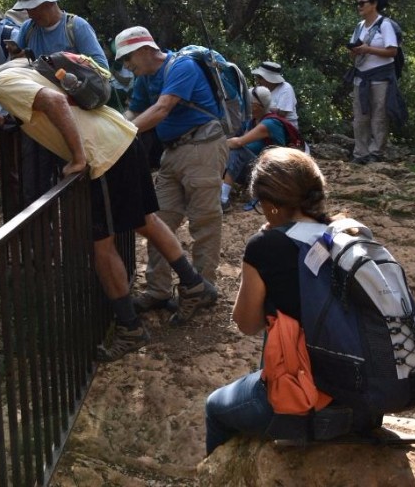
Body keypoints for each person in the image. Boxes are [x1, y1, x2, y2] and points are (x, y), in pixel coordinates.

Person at [0, 56, 215, 360]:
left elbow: (55, 101)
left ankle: (130, 328)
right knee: (145, 220)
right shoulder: (10, 69)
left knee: (101, 247)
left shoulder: (2, 84)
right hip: (121, 138)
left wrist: (79, 157)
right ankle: (194, 285)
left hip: (102, 156)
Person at [205, 147, 335, 455]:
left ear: (271, 204)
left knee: (214, 407)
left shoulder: (266, 246)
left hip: (305, 393)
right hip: (354, 387)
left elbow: (246, 323)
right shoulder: (338, 234)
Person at [116, 26, 225, 319]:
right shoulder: (145, 79)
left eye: (128, 58)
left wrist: (119, 136)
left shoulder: (182, 66)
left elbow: (162, 108)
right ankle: (158, 290)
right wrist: (116, 128)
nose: (127, 66)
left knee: (204, 220)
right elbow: (133, 113)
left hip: (203, 146)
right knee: (158, 219)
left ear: (143, 49)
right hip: (173, 151)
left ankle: (203, 288)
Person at [10, 0, 110, 204]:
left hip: (74, 119)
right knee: (34, 186)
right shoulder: (28, 29)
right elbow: (16, 67)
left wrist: (64, 65)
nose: (29, 14)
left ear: (48, 3)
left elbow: (102, 70)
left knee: (74, 182)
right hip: (40, 119)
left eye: (32, 8)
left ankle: (77, 235)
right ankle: (44, 237)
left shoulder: (76, 27)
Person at [348, 0, 398, 164]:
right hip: (361, 77)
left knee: (379, 116)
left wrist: (368, 49)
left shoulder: (385, 24)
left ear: (374, 4)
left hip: (380, 78)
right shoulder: (359, 26)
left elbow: (392, 51)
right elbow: (353, 51)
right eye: (358, 3)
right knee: (360, 117)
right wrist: (354, 51)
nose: (359, 6)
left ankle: (376, 153)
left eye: (362, 3)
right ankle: (360, 153)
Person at [220, 87, 288, 212]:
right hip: (255, 170)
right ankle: (217, 191)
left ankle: (222, 199)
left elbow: (239, 142)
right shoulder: (251, 122)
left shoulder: (269, 124)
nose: (246, 106)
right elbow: (231, 138)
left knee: (238, 150)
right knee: (226, 152)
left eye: (250, 103)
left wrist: (214, 145)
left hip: (271, 173)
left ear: (259, 105)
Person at [251, 61, 299, 129]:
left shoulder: (286, 88)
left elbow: (282, 114)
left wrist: (262, 106)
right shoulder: (260, 89)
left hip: (285, 129)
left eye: (260, 78)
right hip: (267, 126)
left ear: (269, 79)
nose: (257, 80)